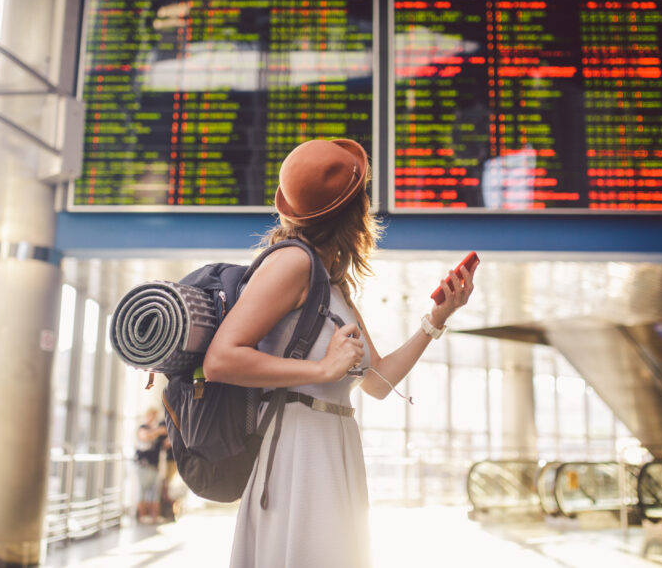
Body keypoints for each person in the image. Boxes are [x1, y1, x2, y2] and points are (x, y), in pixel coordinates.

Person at [203, 138, 478, 568]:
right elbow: (220, 360)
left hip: (332, 442)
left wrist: (437, 318)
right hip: (298, 448)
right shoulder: (293, 264)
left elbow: (378, 381)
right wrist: (321, 366)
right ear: (355, 210)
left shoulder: (330, 282)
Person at [133, 407, 167, 524]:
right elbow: (146, 436)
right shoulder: (143, 428)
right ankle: (142, 517)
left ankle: (154, 517)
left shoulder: (157, 432)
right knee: (142, 492)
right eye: (152, 415)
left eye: (155, 416)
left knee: (155, 493)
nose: (153, 418)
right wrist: (159, 431)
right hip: (143, 466)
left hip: (155, 466)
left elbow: (165, 445)